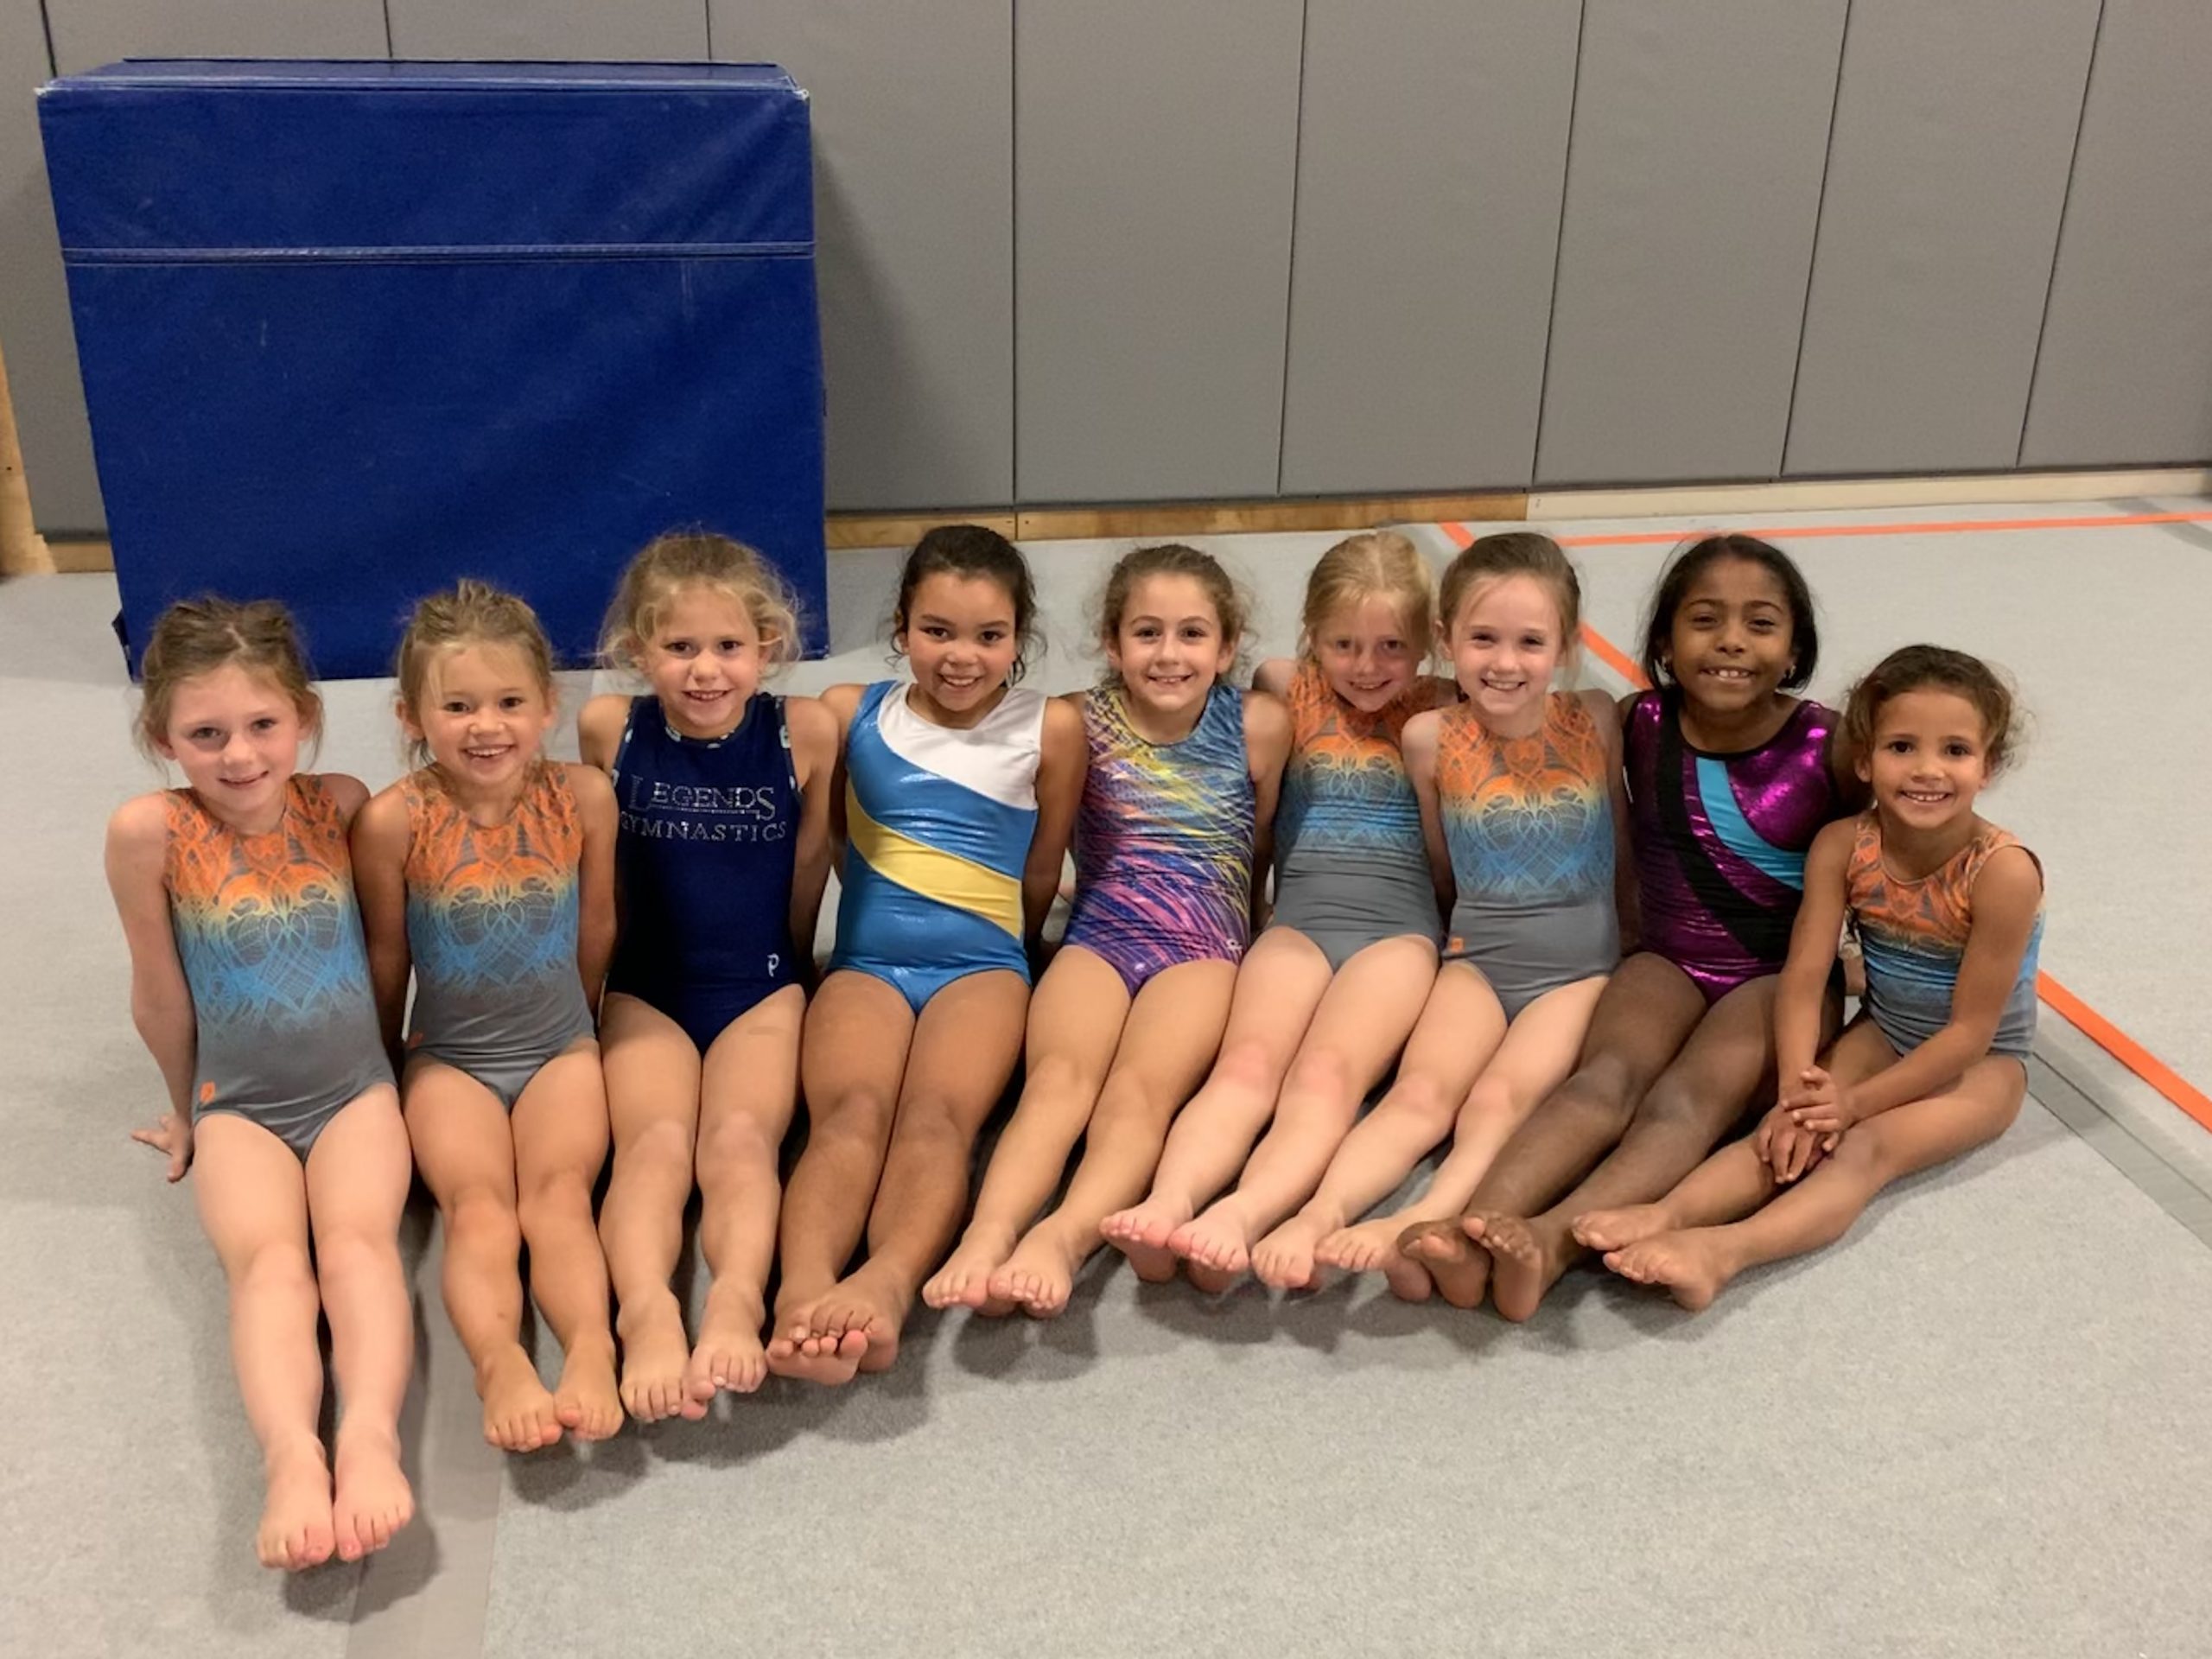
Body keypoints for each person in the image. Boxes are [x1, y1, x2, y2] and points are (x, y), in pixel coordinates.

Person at [1393, 535, 1859, 1315]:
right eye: (1705, 620)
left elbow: (1889, 849)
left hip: (1778, 973)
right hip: (1667, 957)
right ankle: (1471, 1230)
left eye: (1761, 624)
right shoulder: (1638, 721)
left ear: (1795, 647)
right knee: (1598, 1084)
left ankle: (1552, 1241)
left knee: (1682, 1102)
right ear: (1666, 643)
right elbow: (1491, 692)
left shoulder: (1827, 743)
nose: (1732, 642)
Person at [1586, 645, 2043, 1309]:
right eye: (1902, 747)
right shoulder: (1843, 845)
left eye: (1954, 751)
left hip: (1983, 1066)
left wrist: (1852, 1104)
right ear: (1864, 759)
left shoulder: (2003, 872)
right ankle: (1669, 1213)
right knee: (1788, 1125)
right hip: (1885, 1031)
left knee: (1862, 1146)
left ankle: (1723, 1252)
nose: (1927, 771)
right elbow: (1804, 976)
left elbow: (1971, 1034)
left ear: (1988, 765)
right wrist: (1799, 1085)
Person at [105, 598, 412, 1568]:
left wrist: (400, 1068)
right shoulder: (148, 831)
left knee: (358, 1250)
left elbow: (383, 952)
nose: (239, 755)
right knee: (271, 1268)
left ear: (304, 719)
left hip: (357, 1087)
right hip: (239, 1102)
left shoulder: (344, 803)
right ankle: (289, 1455)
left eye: (262, 726)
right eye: (206, 734)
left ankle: (366, 1437)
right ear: (163, 737)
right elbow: (158, 989)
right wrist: (188, 1106)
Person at [924, 543, 1290, 1317]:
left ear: (1227, 647)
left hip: (1204, 945)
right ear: (1112, 641)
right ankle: (987, 1234)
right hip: (1101, 932)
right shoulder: (1081, 721)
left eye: (1193, 634)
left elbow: (1259, 846)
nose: (1168, 654)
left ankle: (1062, 1237)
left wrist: (1254, 940)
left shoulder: (1258, 724)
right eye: (1147, 632)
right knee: (1056, 1085)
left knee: (1137, 1094)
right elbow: (1045, 844)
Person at [1258, 532, 1626, 1289]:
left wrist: (1640, 943)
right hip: (1479, 960)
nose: (1505, 661)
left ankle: (1425, 1216)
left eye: (1531, 642)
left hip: (1580, 970)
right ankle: (1318, 1212)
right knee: (1418, 1094)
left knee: (1496, 1099)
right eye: (1483, 639)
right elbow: (1442, 861)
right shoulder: (1431, 737)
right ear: (1447, 640)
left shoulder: (1596, 716)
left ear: (1565, 646)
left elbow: (1622, 837)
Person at [766, 525, 1084, 1382]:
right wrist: (811, 957)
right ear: (901, 627)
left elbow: (1044, 865)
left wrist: (1014, 962)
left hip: (981, 970)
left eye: (990, 636)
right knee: (848, 1114)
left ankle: (886, 1284)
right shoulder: (849, 712)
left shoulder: (1050, 729)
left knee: (939, 1117)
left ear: (1020, 639)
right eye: (937, 631)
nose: (962, 657)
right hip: (867, 962)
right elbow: (826, 842)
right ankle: (799, 1289)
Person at [1100, 531, 1456, 1288]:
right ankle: (1172, 1202)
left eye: (1394, 645)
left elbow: (1456, 839)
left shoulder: (1447, 706)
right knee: (1246, 1065)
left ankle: (1246, 1213)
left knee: (1326, 1075)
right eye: (1345, 643)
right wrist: (1248, 908)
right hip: (1295, 924)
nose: (1368, 667)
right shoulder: (1284, 686)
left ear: (1430, 641)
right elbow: (1250, 817)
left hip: (1396, 936)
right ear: (1310, 635)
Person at [352, 582, 621, 1448]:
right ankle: (499, 1359)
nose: (486, 725)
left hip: (557, 1047)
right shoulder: (393, 822)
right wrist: (386, 1063)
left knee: (559, 1198)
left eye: (510, 702)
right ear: (410, 716)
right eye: (457, 706)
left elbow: (598, 923)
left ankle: (589, 1349)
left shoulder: (582, 797)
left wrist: (581, 1029)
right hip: (450, 1056)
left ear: (549, 704)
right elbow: (388, 957)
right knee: (478, 1207)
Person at [580, 534, 836, 1419]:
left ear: (766, 646)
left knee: (737, 1143)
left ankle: (734, 1299)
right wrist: (587, 999)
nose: (703, 671)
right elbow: (597, 876)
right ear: (637, 650)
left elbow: (809, 869)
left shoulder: (802, 731)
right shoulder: (611, 728)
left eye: (727, 647)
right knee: (650, 1150)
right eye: (678, 648)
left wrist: (796, 975)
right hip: (646, 986)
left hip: (759, 990)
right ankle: (648, 1313)